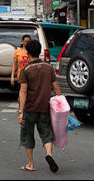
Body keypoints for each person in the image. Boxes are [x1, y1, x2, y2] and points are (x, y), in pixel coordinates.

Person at [18, 39, 62, 173]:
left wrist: (21, 111)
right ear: (40, 51)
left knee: (28, 136)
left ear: (28, 53)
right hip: (45, 108)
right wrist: (60, 103)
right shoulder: (48, 67)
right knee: (47, 134)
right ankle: (49, 155)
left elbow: (23, 91)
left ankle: (30, 164)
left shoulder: (26, 70)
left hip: (30, 109)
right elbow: (56, 87)